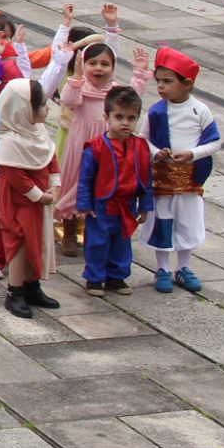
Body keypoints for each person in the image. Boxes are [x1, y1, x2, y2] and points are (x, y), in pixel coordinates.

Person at [142, 46, 219, 295]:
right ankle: (162, 268)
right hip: (163, 180)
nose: (161, 86)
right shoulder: (156, 111)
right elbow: (143, 140)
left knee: (187, 222)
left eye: (167, 81)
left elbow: (214, 142)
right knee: (163, 222)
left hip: (190, 180)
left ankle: (184, 266)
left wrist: (193, 154)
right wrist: (157, 152)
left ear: (187, 84)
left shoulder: (200, 110)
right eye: (158, 81)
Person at [76, 84, 151, 298]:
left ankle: (116, 277)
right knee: (97, 243)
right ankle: (94, 277)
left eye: (131, 118)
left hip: (127, 205)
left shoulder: (141, 146)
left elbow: (146, 177)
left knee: (122, 242)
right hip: (101, 206)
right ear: (106, 117)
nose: (125, 123)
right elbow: (85, 178)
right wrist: (84, 204)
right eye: (119, 117)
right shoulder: (96, 147)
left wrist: (145, 206)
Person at [0, 78, 59, 319]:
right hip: (19, 203)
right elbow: (16, 177)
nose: (47, 108)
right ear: (23, 109)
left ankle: (32, 286)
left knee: (37, 241)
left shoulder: (37, 131)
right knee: (20, 243)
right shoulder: (10, 140)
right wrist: (39, 196)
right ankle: (15, 292)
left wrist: (55, 183)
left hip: (40, 202)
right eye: (41, 104)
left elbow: (50, 157)